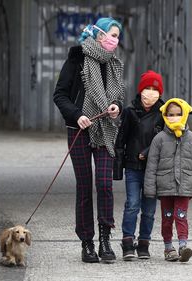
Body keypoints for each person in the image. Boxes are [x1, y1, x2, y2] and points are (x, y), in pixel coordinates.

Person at [53, 17, 125, 263]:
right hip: (79, 129)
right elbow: (60, 95)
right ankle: (87, 243)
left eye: (117, 36)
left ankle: (105, 239)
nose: (114, 40)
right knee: (84, 187)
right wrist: (78, 115)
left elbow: (118, 97)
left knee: (105, 185)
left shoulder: (114, 65)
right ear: (98, 34)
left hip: (105, 129)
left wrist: (116, 106)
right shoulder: (77, 58)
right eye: (111, 35)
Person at [144, 98, 192, 262]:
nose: (174, 117)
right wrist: (150, 189)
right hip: (165, 187)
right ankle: (168, 247)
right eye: (170, 114)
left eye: (178, 114)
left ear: (185, 115)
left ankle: (183, 246)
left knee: (181, 216)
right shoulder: (159, 139)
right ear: (165, 115)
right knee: (167, 218)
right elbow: (151, 165)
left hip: (184, 187)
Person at [113, 70, 165, 260]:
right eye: (147, 88)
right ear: (140, 90)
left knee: (149, 209)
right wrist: (118, 168)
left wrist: (148, 153)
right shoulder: (130, 111)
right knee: (132, 205)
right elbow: (120, 140)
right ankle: (128, 241)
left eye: (154, 89)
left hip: (154, 169)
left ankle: (144, 243)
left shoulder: (163, 113)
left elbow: (165, 140)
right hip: (133, 167)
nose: (150, 93)